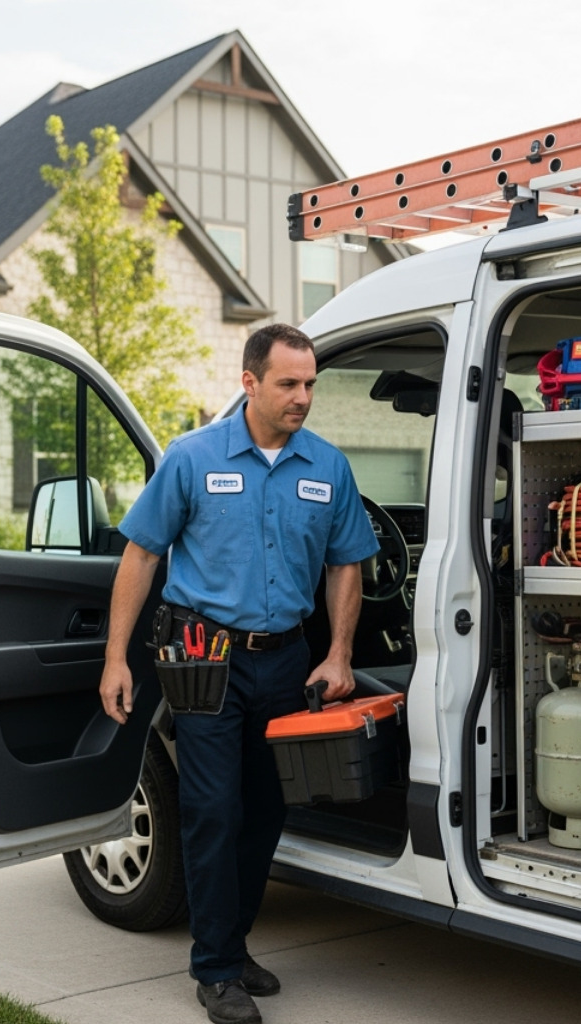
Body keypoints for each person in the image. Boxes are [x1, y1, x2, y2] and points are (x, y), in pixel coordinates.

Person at [99, 323, 379, 1024]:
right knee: (214, 811)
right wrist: (115, 659)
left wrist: (338, 652)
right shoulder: (193, 459)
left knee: (266, 809)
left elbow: (349, 562)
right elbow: (139, 556)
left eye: (310, 383)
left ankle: (233, 941)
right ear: (249, 382)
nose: (302, 397)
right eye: (288, 383)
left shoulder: (327, 467)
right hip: (203, 657)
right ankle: (216, 967)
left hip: (286, 658)